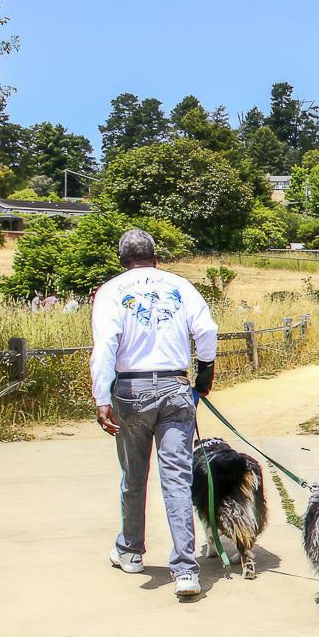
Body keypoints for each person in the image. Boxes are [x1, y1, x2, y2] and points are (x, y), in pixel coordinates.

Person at [91, 229, 218, 598]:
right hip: (177, 387)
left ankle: (131, 551)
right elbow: (206, 330)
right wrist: (204, 374)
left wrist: (102, 397)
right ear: (155, 257)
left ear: (122, 260)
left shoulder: (111, 291)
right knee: (176, 478)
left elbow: (105, 347)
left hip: (131, 390)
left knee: (134, 475)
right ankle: (185, 570)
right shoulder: (180, 286)